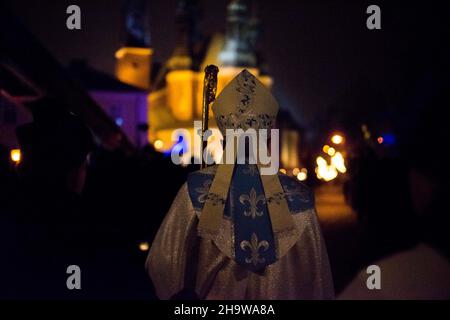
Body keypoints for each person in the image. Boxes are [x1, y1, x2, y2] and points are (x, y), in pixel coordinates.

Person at [146, 70, 334, 299]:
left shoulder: (194, 193)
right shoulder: (300, 199)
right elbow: (317, 280)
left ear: (224, 137)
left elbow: (162, 266)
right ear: (267, 137)